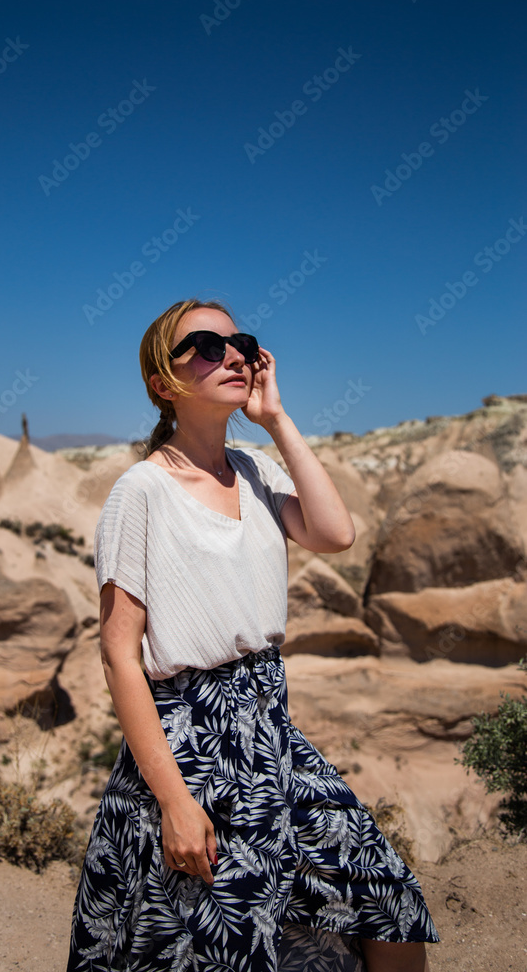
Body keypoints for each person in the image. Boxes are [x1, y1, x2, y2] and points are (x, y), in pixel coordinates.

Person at [67, 298, 439, 972]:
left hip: (273, 733)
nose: (232, 356)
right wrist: (174, 802)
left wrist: (276, 420)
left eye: (239, 342)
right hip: (192, 747)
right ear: (162, 383)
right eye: (207, 347)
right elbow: (119, 655)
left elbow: (335, 533)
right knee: (226, 945)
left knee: (387, 899)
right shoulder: (140, 492)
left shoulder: (255, 469)